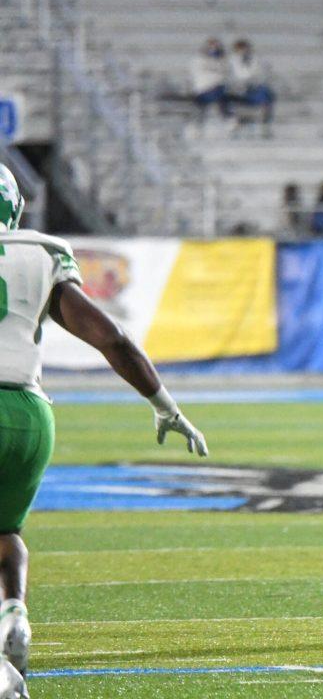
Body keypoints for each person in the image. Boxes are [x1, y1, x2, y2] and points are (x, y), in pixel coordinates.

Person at [0, 165, 208, 695]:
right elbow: (111, 337)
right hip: (29, 413)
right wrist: (163, 402)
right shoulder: (42, 253)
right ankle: (13, 612)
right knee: (6, 532)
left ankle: (3, 676)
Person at [229, 39, 275, 137]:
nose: (243, 51)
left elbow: (263, 74)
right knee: (229, 96)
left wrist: (253, 81)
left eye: (245, 49)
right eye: (240, 49)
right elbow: (231, 77)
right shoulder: (231, 62)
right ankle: (234, 123)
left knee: (266, 93)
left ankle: (264, 125)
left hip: (254, 87)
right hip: (238, 90)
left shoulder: (257, 60)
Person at [188, 37, 230, 128]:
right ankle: (198, 122)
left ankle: (227, 118)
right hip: (203, 90)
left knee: (223, 94)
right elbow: (199, 76)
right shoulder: (198, 59)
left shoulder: (223, 60)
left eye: (216, 47)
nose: (214, 49)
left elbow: (224, 76)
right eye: (211, 46)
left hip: (218, 90)